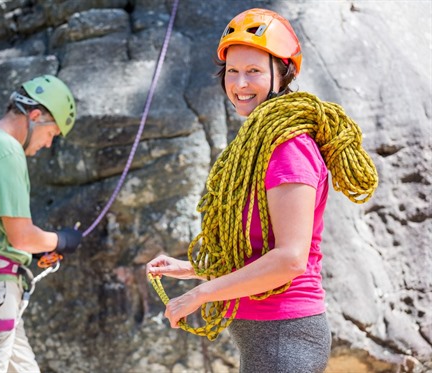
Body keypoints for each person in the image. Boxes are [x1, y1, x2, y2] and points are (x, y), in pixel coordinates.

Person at [147, 8, 377, 373]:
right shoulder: (259, 141)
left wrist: (199, 295)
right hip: (270, 340)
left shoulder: (288, 147)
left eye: (253, 71)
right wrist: (192, 270)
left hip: (285, 336)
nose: (240, 84)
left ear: (282, 73)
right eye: (233, 72)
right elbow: (257, 254)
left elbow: (289, 259)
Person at [0, 74, 83, 373]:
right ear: (35, 116)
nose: (48, 144)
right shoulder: (6, 149)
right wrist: (62, 240)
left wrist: (32, 252)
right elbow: (21, 236)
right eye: (52, 133)